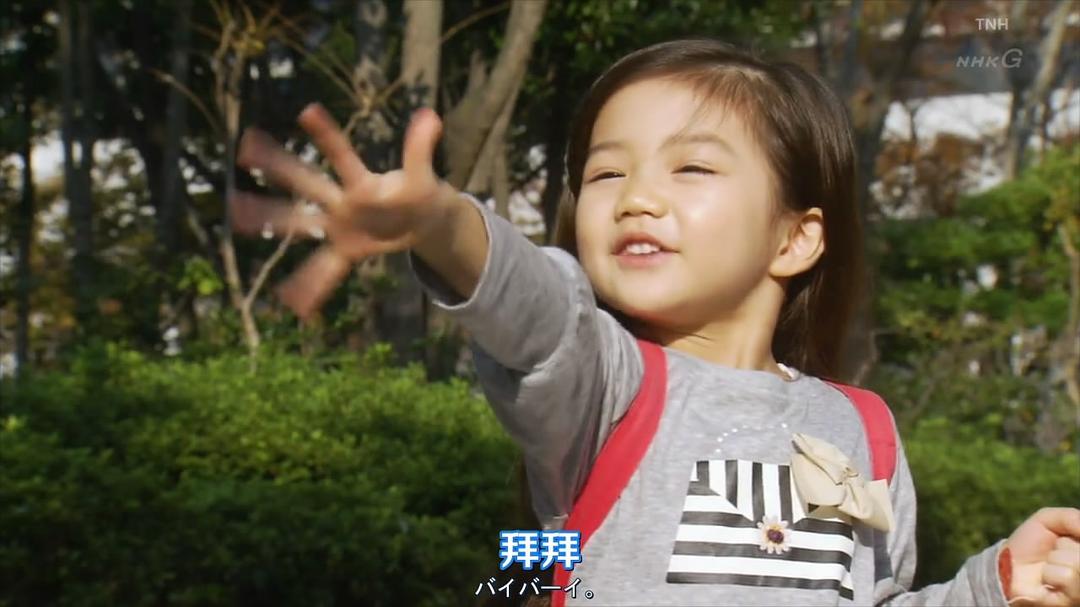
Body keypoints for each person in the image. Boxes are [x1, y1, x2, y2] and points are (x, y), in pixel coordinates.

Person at [230, 39, 1080, 607]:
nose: (637, 196)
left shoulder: (864, 428)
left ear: (794, 237)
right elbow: (538, 306)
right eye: (607, 174)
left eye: (693, 167)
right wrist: (437, 222)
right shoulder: (603, 384)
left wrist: (997, 585)